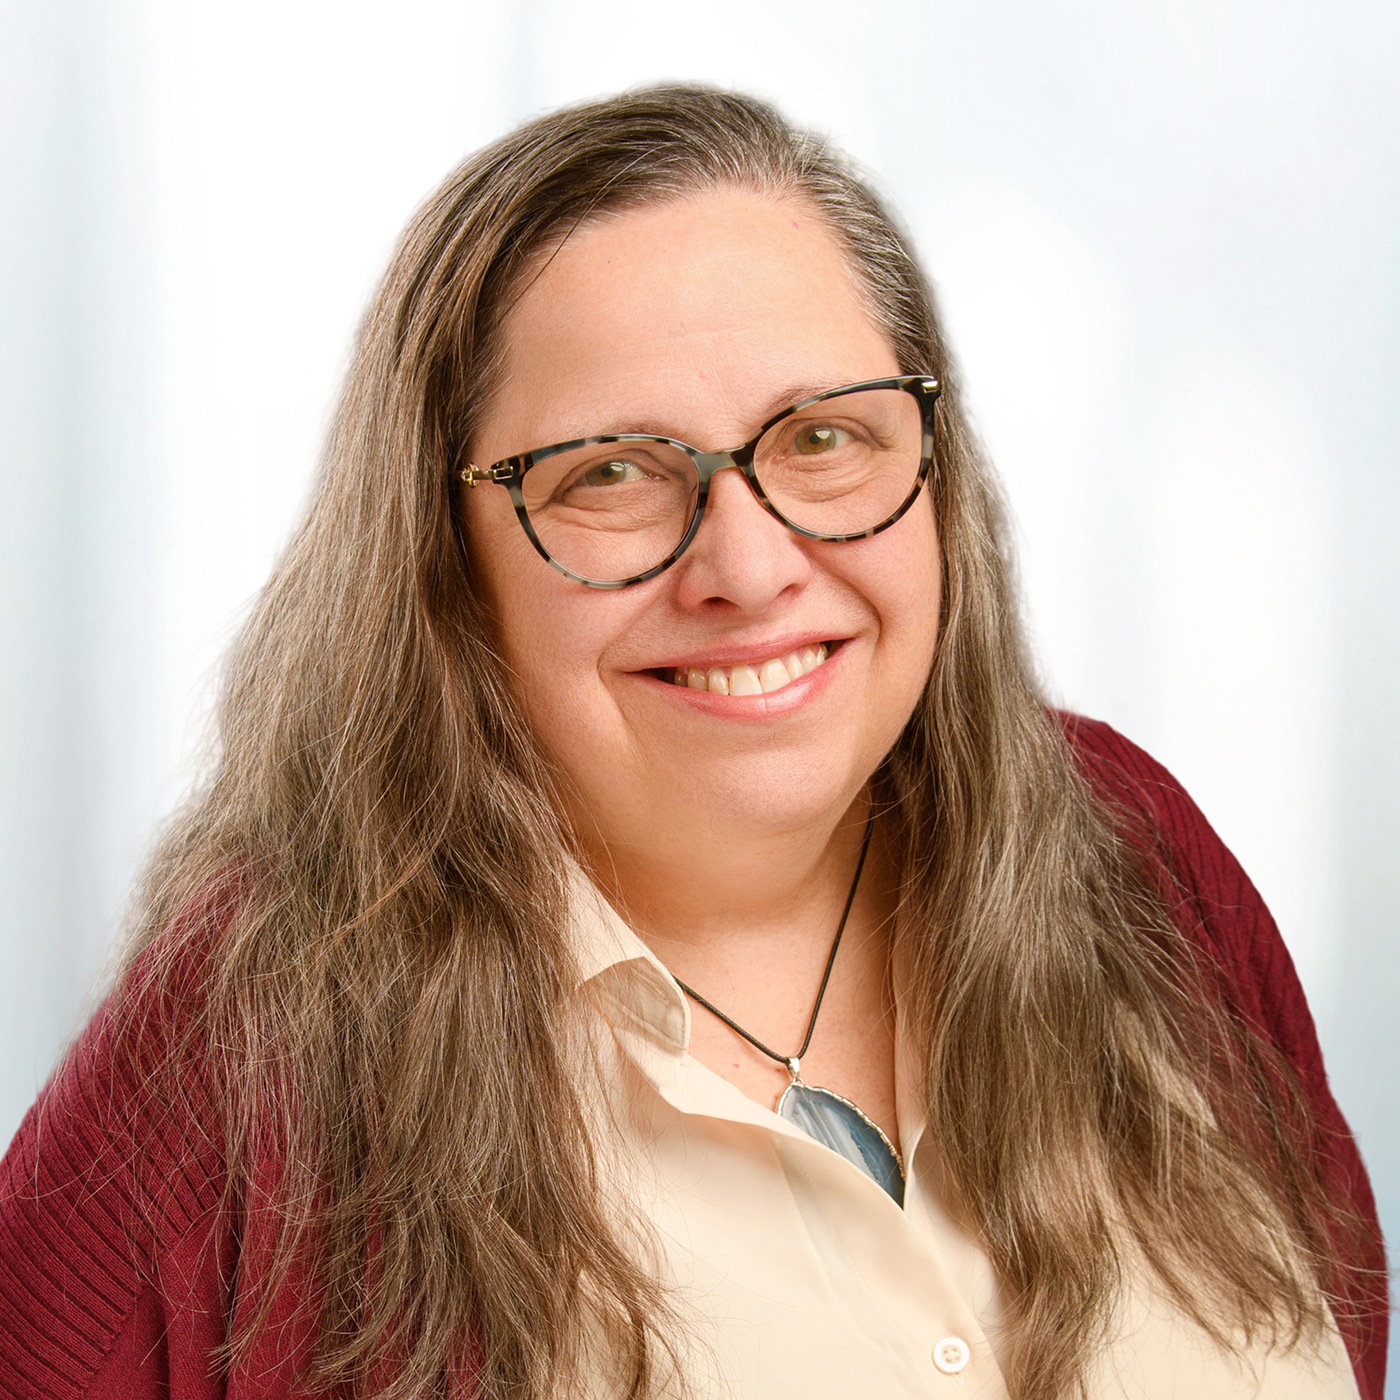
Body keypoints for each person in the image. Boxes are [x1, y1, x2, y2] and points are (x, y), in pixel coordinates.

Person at [0, 86, 1386, 1400]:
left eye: (825, 438)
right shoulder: (244, 1047)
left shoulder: (1134, 852)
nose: (750, 565)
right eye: (611, 472)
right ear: (439, 560)